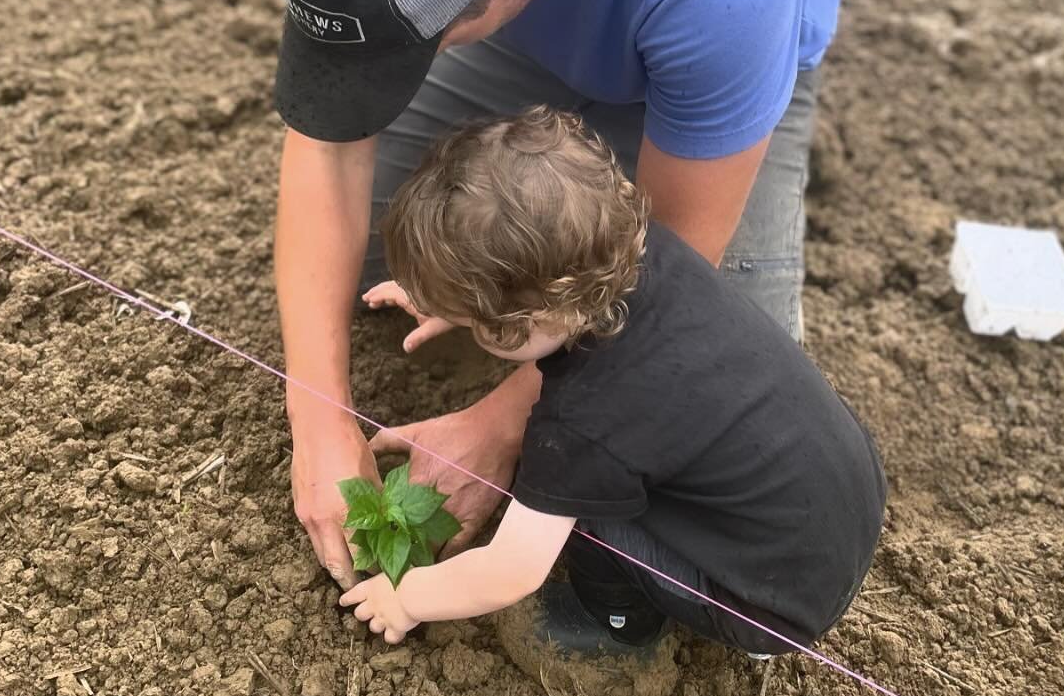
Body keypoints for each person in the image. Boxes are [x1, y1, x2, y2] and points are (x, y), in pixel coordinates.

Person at [265, 0, 841, 587]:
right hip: (534, 27)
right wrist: (320, 418)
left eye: (410, 45)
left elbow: (668, 262)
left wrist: (500, 425)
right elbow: (329, 146)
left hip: (694, 68)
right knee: (403, 251)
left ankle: (678, 128)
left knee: (697, 380)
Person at [341, 110, 885, 657]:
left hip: (768, 605)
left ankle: (618, 626)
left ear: (517, 324)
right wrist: (451, 300)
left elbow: (510, 571)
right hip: (845, 500)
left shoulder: (579, 423)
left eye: (473, 320)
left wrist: (406, 598)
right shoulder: (649, 253)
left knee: (584, 512)